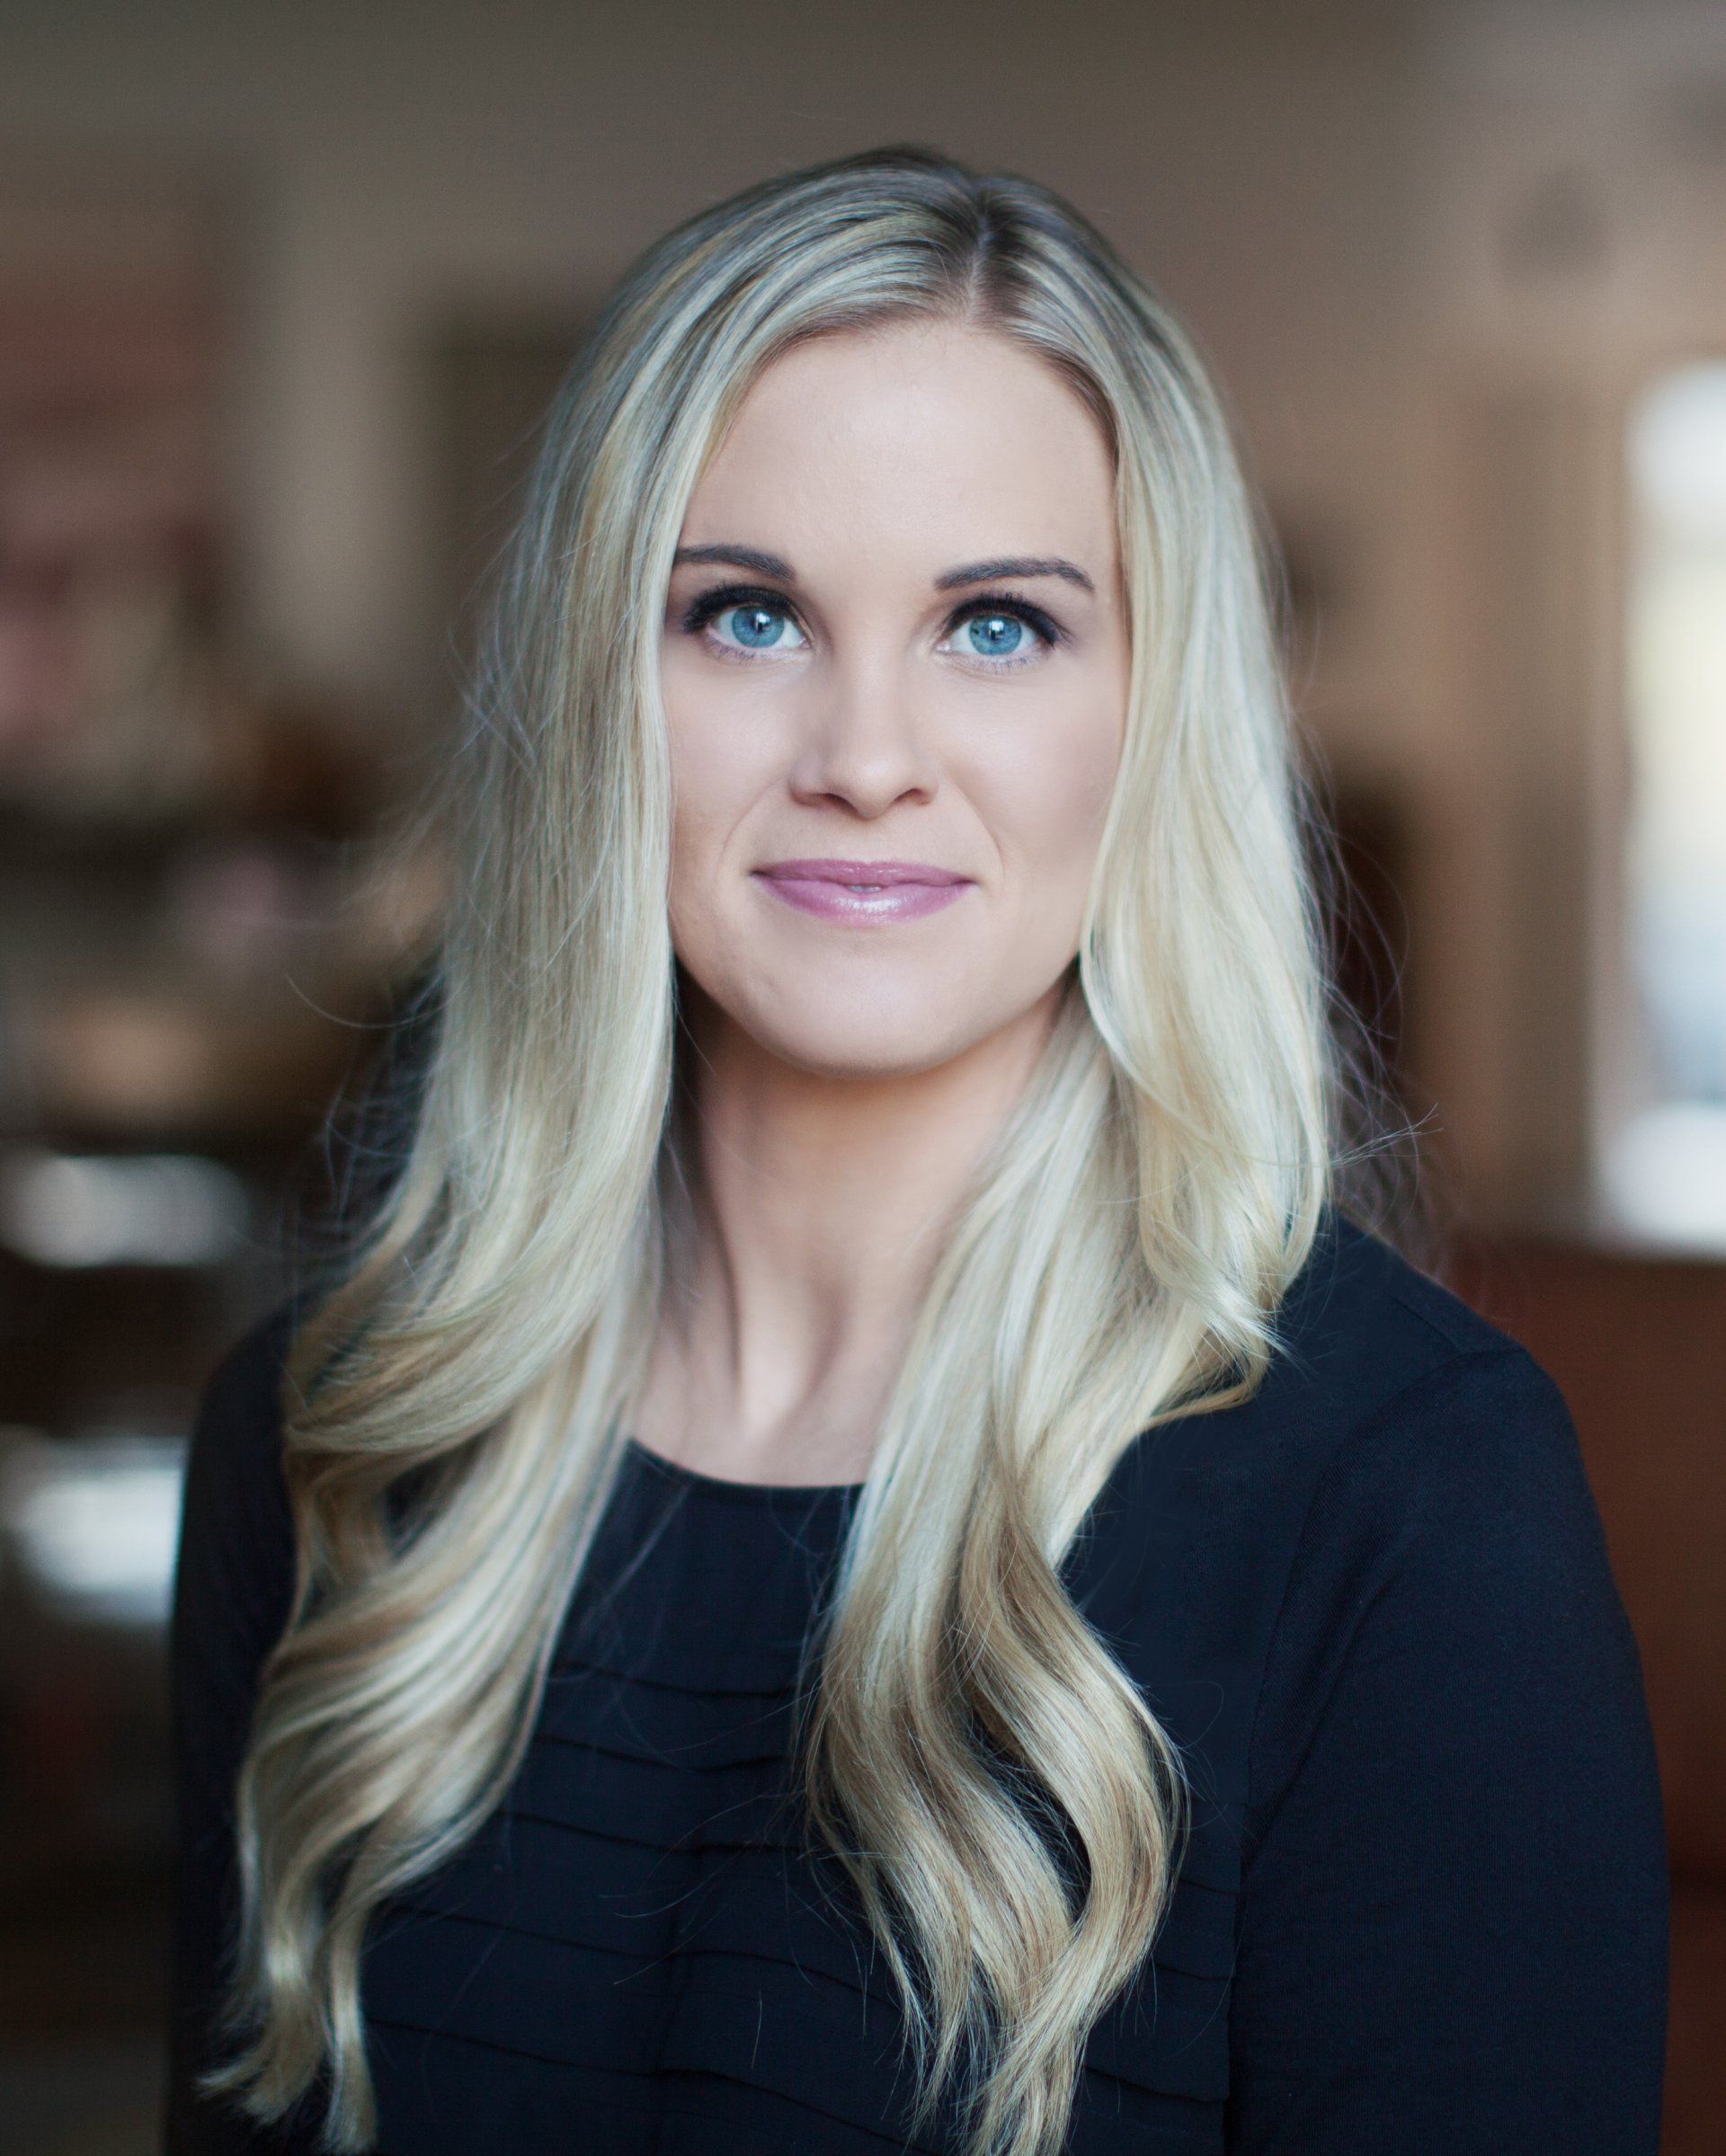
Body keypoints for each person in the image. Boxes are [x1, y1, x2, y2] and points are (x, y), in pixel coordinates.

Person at [164, 146, 1668, 2156]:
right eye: (749, 615)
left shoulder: (1412, 1500)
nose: (866, 754)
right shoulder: (329, 1432)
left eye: (996, 629)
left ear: (1151, 714)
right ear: (601, 689)